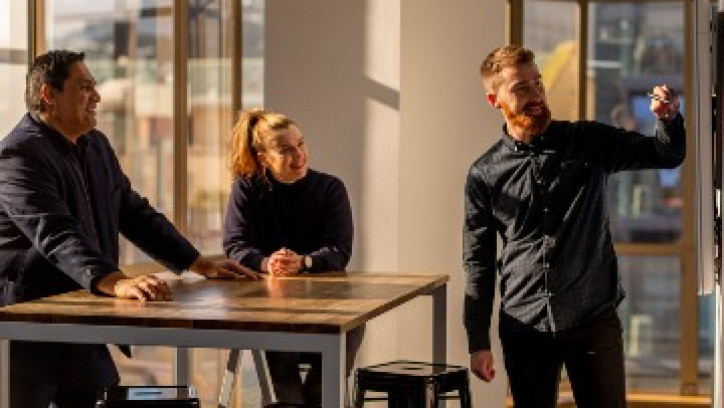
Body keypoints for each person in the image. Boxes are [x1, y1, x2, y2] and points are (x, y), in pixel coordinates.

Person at [0, 50, 260, 408]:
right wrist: (116, 280)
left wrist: (198, 263)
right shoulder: (17, 156)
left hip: (85, 326)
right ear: (49, 95)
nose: (98, 96)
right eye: (86, 87)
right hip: (30, 337)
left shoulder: (96, 145)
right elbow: (55, 232)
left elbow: (132, 211)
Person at [463, 44, 685, 408]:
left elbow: (666, 154)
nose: (536, 95)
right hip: (524, 326)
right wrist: (478, 340)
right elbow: (479, 262)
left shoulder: (588, 141)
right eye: (521, 88)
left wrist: (668, 120)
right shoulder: (484, 174)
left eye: (537, 83)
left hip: (593, 321)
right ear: (494, 100)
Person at [223, 108, 362, 405]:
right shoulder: (246, 189)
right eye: (285, 149)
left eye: (300, 144)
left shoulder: (330, 188)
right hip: (270, 309)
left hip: (332, 308)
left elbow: (339, 252)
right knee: (286, 392)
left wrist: (302, 263)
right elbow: (235, 246)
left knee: (322, 390)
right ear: (264, 158)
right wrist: (267, 263)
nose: (298, 154)